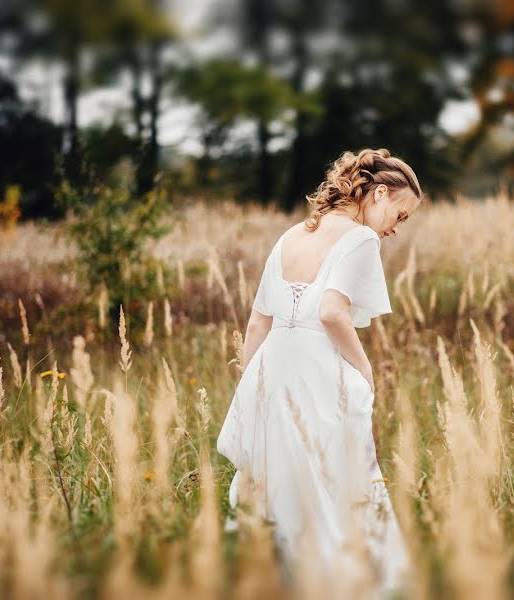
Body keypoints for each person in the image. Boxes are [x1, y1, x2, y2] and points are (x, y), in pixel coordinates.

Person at [216, 148, 423, 596]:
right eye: (400, 214)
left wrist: (249, 389)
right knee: (335, 483)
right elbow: (332, 313)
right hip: (317, 372)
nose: (395, 228)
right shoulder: (360, 239)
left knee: (283, 485)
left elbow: (257, 321)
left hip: (272, 368)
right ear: (379, 192)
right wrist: (365, 369)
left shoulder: (290, 235)